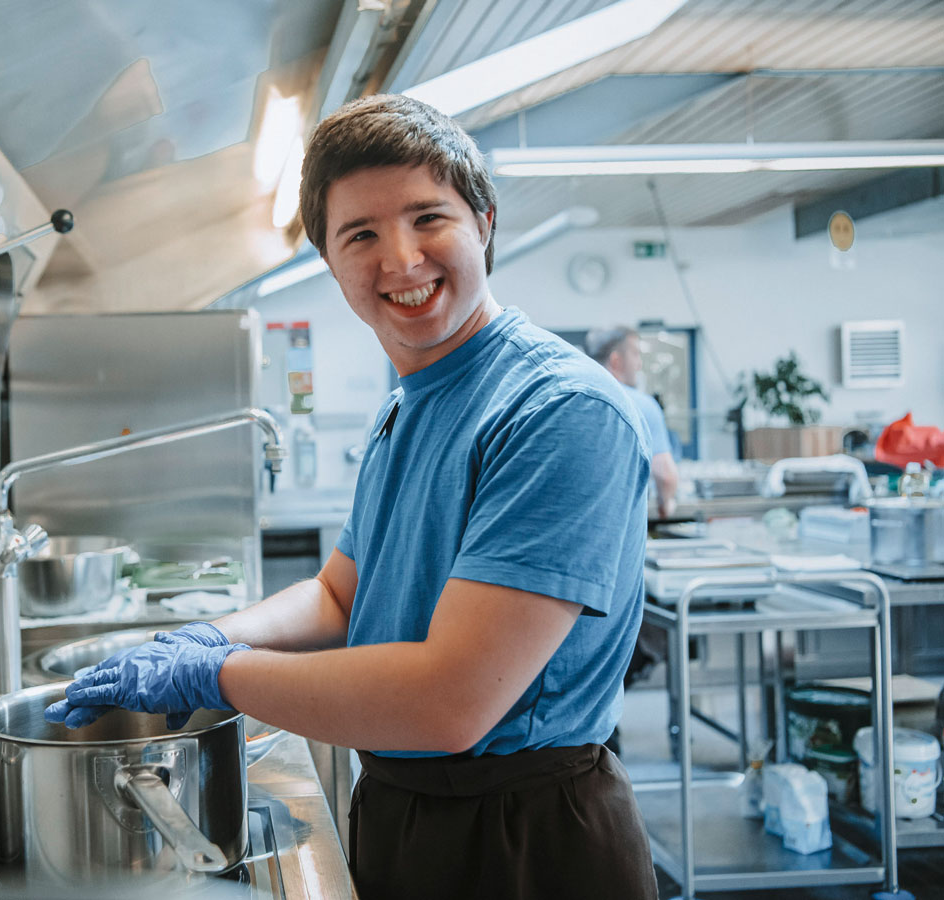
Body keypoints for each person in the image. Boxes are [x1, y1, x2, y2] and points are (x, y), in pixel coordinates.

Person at [45, 94, 657, 900]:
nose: (400, 260)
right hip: (405, 812)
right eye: (361, 234)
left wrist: (219, 675)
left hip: (524, 841)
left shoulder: (560, 411)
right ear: (331, 263)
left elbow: (451, 703)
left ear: (484, 222)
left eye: (428, 218)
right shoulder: (410, 402)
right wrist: (193, 638)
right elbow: (341, 593)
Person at [586, 326, 680, 519]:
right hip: (624, 525)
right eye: (635, 355)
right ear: (616, 361)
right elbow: (664, 475)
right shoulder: (642, 405)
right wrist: (667, 503)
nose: (639, 365)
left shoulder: (572, 399)